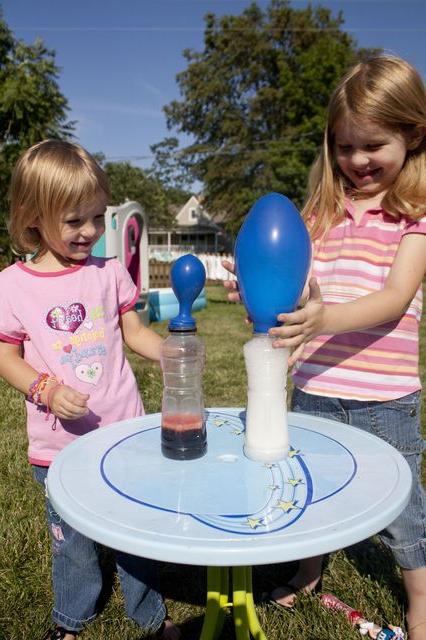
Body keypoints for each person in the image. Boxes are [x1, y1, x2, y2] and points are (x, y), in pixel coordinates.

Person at [224, 54, 426, 639]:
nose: (358, 161)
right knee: (308, 488)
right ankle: (308, 571)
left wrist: (321, 318)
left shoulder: (412, 218)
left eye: (374, 145)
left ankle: (419, 604)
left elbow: (394, 297)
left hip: (383, 397)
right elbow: (301, 281)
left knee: (404, 515)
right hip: (313, 385)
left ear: (412, 135)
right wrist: (263, 288)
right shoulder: (319, 213)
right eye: (344, 146)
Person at [0, 140, 180, 640]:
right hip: (58, 447)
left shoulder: (109, 273)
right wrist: (45, 389)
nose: (91, 232)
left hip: (122, 433)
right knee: (72, 541)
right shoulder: (13, 286)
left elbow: (134, 332)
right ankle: (71, 617)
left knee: (133, 531)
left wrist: (166, 352)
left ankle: (149, 614)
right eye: (75, 221)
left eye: (97, 218)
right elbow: (5, 357)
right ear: (34, 216)